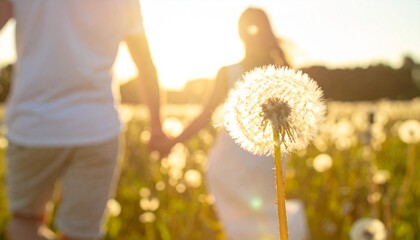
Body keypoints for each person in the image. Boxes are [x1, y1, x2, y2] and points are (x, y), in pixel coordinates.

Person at [0, 0, 167, 239]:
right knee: (82, 233)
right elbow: (145, 66)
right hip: (97, 129)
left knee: (25, 221)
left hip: (33, 125)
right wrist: (157, 128)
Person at [153, 7, 309, 240]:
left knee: (273, 221)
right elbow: (204, 116)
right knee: (243, 227)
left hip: (269, 161)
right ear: (240, 34)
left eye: (255, 28)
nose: (252, 34)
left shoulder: (281, 74)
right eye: (248, 29)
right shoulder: (228, 73)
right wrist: (173, 142)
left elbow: (298, 118)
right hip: (231, 164)